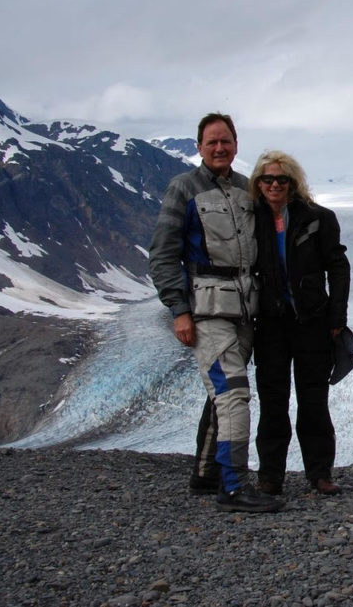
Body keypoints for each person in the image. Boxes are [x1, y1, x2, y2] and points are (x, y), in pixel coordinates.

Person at [148, 113, 283, 513]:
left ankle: (207, 472)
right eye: (212, 143)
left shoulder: (247, 189)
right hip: (207, 307)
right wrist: (179, 310)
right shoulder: (183, 189)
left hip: (246, 307)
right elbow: (162, 253)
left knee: (222, 392)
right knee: (234, 392)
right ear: (200, 148)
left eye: (226, 141)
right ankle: (234, 485)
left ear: (236, 144)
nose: (220, 148)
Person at [249, 150, 351, 495]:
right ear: (258, 183)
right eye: (268, 179)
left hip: (312, 321)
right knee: (273, 399)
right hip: (270, 324)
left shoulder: (318, 217)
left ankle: (320, 474)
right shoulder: (251, 218)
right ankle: (270, 476)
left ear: (294, 182)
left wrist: (337, 316)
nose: (274, 184)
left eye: (282, 179)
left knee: (313, 399)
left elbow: (337, 265)